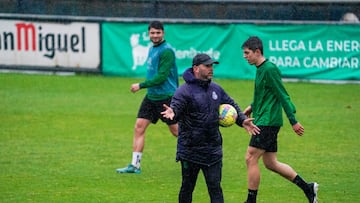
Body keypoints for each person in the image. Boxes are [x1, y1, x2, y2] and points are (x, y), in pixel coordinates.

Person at [161, 53, 260, 203]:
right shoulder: (184, 91)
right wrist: (171, 113)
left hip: (212, 150)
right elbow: (175, 109)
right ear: (196, 68)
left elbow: (232, 105)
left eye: (212, 66)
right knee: (187, 187)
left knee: (215, 188)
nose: (211, 69)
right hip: (190, 150)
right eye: (207, 66)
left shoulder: (216, 89)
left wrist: (242, 120)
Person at [241, 36, 318, 203]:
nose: (244, 56)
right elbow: (265, 93)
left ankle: (250, 200)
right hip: (264, 118)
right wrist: (251, 106)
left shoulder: (269, 69)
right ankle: (308, 188)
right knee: (271, 163)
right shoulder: (261, 68)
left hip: (267, 121)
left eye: (247, 53)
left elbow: (282, 95)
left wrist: (293, 121)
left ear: (257, 52)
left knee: (250, 157)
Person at [116, 21, 179, 174]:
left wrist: (141, 85)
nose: (155, 35)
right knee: (139, 127)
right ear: (148, 34)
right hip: (152, 97)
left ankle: (199, 155)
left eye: (158, 33)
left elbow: (162, 77)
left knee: (177, 132)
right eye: (152, 33)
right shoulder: (152, 48)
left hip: (166, 97)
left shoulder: (167, 51)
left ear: (163, 33)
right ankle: (135, 165)